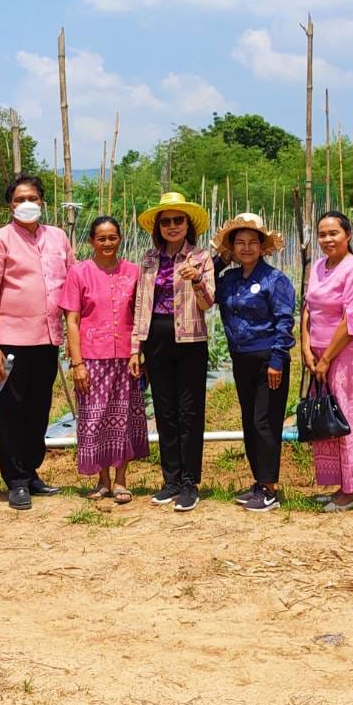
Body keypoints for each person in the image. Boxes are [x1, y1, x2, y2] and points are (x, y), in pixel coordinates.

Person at [0, 174, 75, 510]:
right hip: (12, 341)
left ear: (42, 202)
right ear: (10, 205)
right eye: (19, 199)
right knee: (13, 411)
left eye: (32, 197)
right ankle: (15, 479)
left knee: (39, 408)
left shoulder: (58, 238)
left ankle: (32, 471)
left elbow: (72, 284)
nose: (26, 204)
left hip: (48, 338)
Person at [131, 191, 216, 513]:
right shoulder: (149, 259)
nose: (172, 226)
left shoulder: (201, 258)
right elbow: (141, 304)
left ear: (187, 224)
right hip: (157, 338)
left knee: (189, 412)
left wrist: (196, 281)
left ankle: (189, 482)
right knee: (165, 411)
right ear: (158, 227)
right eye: (165, 221)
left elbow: (208, 303)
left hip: (191, 339)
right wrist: (136, 347)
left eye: (178, 220)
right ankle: (170, 479)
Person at [59, 216, 146, 503]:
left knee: (124, 417)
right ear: (91, 241)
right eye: (101, 238)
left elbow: (140, 316)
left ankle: (121, 480)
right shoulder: (79, 273)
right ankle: (102, 479)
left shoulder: (134, 272)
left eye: (112, 237)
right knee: (93, 418)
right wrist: (77, 362)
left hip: (126, 358)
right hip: (92, 358)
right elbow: (72, 320)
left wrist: (137, 351)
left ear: (120, 239)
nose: (107, 243)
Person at [213, 212, 296, 513]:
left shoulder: (275, 279)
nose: (246, 248)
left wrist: (278, 359)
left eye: (252, 243)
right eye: (239, 243)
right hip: (240, 359)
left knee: (266, 422)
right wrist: (221, 258)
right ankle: (259, 482)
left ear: (262, 247)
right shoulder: (229, 279)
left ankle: (270, 488)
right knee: (249, 421)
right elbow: (204, 280)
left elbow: (285, 322)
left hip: (268, 361)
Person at [301, 211, 353, 512]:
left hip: (345, 353)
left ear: (347, 235)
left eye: (334, 233)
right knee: (328, 417)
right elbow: (307, 309)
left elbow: (351, 321)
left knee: (348, 416)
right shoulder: (318, 266)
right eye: (322, 234)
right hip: (318, 354)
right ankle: (338, 484)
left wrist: (326, 358)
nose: (327, 239)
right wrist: (307, 349)